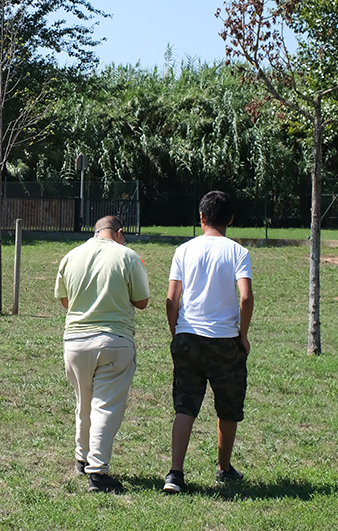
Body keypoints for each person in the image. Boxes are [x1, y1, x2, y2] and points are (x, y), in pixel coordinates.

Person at [162, 191, 254, 494]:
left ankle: (175, 473)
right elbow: (245, 297)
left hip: (188, 338)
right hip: (225, 341)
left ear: (201, 218)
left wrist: (177, 333)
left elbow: (171, 299)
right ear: (230, 219)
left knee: (185, 406)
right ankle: (224, 468)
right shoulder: (238, 252)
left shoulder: (184, 250)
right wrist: (242, 334)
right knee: (227, 408)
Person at [54, 215, 150, 493]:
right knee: (105, 406)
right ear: (119, 232)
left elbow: (65, 301)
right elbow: (142, 302)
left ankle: (81, 458)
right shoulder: (128, 256)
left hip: (75, 342)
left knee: (83, 403)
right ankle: (98, 470)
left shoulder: (71, 256)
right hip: (114, 341)